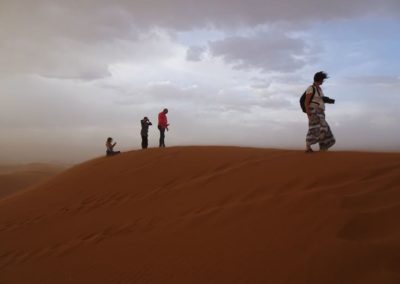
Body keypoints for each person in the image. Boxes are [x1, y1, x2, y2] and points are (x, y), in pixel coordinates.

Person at [304, 71, 336, 153]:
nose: (323, 81)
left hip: (320, 112)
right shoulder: (311, 88)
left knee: (323, 129)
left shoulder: (319, 89)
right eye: (322, 79)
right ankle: (308, 147)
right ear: (318, 79)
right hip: (313, 111)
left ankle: (322, 147)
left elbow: (320, 99)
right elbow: (306, 102)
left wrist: (328, 100)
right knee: (317, 128)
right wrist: (308, 112)